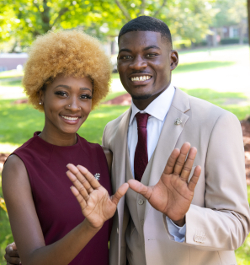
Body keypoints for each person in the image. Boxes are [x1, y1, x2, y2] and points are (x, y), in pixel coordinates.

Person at [5, 16, 250, 265]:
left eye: (150, 54)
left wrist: (183, 217)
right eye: (126, 56)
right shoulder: (113, 133)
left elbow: (238, 226)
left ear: (172, 59)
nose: (137, 65)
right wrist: (29, 250)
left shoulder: (216, 123)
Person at [2, 30, 131, 265]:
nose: (74, 106)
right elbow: (33, 260)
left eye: (84, 96)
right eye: (62, 93)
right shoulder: (20, 167)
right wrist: (90, 226)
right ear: (41, 94)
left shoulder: (104, 157)